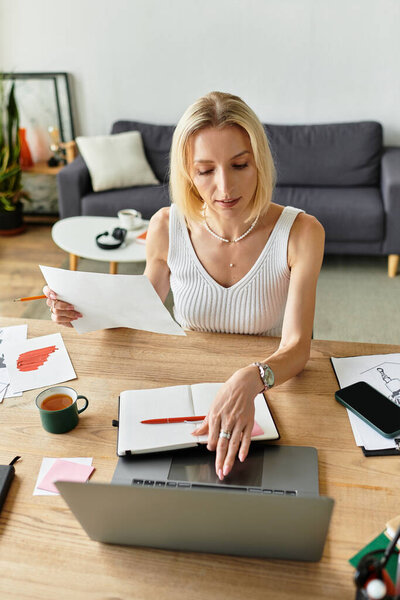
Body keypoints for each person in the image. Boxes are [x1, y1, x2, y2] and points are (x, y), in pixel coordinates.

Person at [44, 91, 325, 480]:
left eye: (240, 164)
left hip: (270, 387)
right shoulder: (165, 226)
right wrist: (79, 308)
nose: (224, 188)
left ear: (259, 160)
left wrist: (253, 377)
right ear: (187, 173)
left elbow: (298, 347)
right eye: (206, 171)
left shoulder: (302, 233)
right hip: (187, 382)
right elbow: (139, 309)